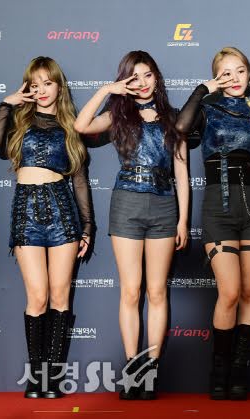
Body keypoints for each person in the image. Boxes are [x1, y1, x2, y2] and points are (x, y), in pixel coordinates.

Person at [74, 50, 189, 400]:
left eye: (147, 75)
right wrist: (106, 90)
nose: (142, 83)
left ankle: (151, 370)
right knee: (130, 291)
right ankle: (133, 370)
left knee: (157, 291)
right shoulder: (118, 115)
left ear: (157, 77)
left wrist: (183, 219)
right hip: (126, 203)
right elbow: (80, 126)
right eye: (134, 77)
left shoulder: (174, 117)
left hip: (164, 205)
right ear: (125, 81)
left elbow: (182, 172)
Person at [0, 56, 92, 399]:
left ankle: (53, 377)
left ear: (59, 87)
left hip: (63, 211)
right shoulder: (19, 122)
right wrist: (7, 103)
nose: (42, 90)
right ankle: (36, 377)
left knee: (60, 296)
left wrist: (88, 227)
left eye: (48, 83)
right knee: (37, 295)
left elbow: (80, 181)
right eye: (35, 84)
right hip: (26, 211)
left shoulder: (72, 126)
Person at [176, 47, 250, 400]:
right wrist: (203, 89)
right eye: (226, 73)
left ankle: (239, 371)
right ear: (216, 77)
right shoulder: (206, 111)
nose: (234, 78)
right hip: (218, 209)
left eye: (240, 71)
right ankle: (218, 370)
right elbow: (180, 127)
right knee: (230, 292)